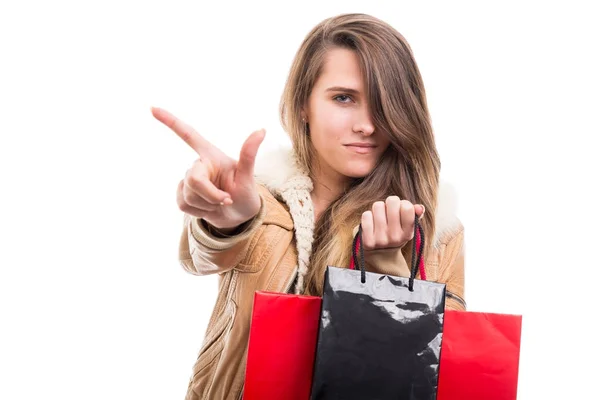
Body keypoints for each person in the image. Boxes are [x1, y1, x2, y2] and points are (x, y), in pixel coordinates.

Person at [152, 12, 465, 400]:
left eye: (385, 102)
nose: (367, 124)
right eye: (343, 98)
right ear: (303, 105)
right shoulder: (261, 201)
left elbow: (438, 375)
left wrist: (387, 269)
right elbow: (201, 259)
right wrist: (226, 224)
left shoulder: (433, 229)